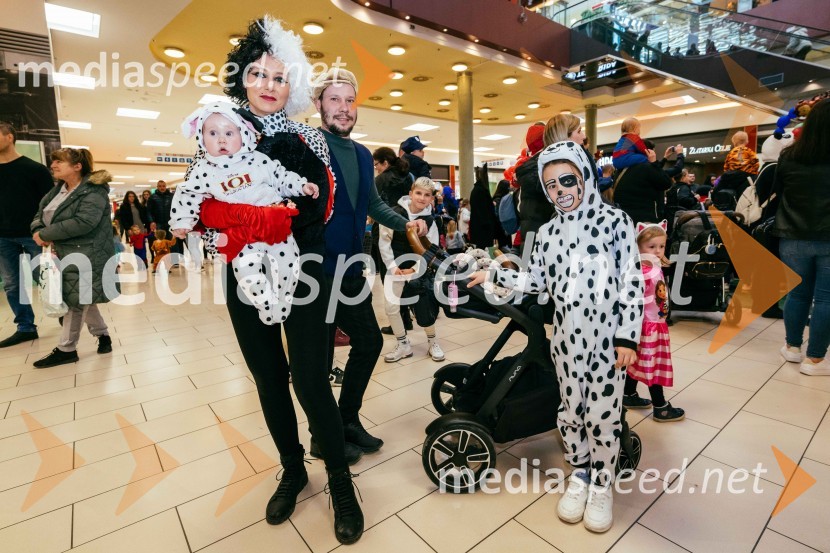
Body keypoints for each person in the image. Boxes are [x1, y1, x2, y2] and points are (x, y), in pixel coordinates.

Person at [190, 17, 362, 544]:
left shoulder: (308, 135)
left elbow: (319, 204)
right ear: (242, 78)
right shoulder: (219, 128)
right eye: (259, 75)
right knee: (268, 377)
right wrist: (244, 222)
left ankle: (338, 476)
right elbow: (203, 205)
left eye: (279, 77)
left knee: (311, 379)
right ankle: (292, 467)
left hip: (304, 271)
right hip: (243, 274)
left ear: (292, 87)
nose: (269, 85)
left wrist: (259, 219)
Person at [468, 141, 643, 533]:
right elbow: (537, 282)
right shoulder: (547, 232)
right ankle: (580, 473)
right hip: (566, 341)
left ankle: (602, 482)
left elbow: (632, 284)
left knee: (602, 415)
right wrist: (495, 273)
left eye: (568, 180)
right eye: (551, 186)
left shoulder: (616, 222)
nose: (561, 190)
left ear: (584, 176)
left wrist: (628, 338)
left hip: (607, 343)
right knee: (571, 411)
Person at [312, 67, 427, 456]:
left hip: (350, 267)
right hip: (313, 270)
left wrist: (405, 221)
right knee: (321, 354)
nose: (343, 108)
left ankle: (346, 420)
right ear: (318, 104)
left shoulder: (362, 154)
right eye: (334, 99)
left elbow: (373, 204)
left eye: (349, 100)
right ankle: (323, 435)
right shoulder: (308, 147)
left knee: (370, 340)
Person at [171, 102, 318, 324]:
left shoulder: (258, 160)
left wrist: (301, 185)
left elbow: (281, 176)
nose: (221, 139)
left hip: (274, 226)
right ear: (201, 138)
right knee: (246, 273)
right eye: (212, 133)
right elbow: (188, 194)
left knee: (289, 262)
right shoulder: (203, 169)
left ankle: (283, 299)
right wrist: (182, 221)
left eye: (229, 133)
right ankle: (266, 304)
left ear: (244, 134)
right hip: (241, 236)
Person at [30, 148, 115, 368]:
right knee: (81, 297)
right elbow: (39, 215)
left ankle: (66, 349)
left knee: (75, 302)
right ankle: (103, 334)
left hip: (88, 254)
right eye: (53, 161)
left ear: (77, 167)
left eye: (60, 161)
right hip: (62, 253)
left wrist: (45, 234)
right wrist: (38, 231)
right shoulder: (57, 190)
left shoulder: (94, 192)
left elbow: (84, 222)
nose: (54, 165)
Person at [773, 99, 830, 376]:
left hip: (792, 234)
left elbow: (777, 192)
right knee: (826, 299)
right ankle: (816, 360)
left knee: (797, 294)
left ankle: (793, 348)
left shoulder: (789, 156)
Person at [623, 221, 685, 421]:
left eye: (661, 246)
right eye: (651, 247)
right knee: (654, 365)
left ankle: (628, 394)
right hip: (648, 327)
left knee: (638, 362)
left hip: (653, 325)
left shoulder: (652, 267)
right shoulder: (642, 272)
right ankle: (661, 406)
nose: (657, 251)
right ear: (638, 246)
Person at [0, 121, 54, 348]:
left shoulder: (35, 169)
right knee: (12, 284)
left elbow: (50, 204)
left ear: (9, 136)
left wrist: (47, 232)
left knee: (45, 279)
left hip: (33, 235)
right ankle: (26, 327)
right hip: (2, 237)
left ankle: (64, 315)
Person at [379, 177, 444, 363]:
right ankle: (403, 344)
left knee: (424, 307)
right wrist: (393, 267)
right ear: (410, 193)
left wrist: (414, 270)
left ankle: (432, 342)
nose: (422, 198)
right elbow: (384, 243)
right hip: (395, 268)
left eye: (427, 195)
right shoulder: (394, 214)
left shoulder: (431, 221)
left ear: (432, 199)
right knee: (391, 307)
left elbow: (430, 250)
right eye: (418, 193)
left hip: (418, 270)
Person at [613, 139, 673, 225]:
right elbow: (666, 183)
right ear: (648, 151)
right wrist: (654, 162)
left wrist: (664, 159)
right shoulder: (646, 167)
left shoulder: (621, 168)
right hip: (644, 220)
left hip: (623, 219)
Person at [146, 180, 183, 262]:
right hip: (159, 223)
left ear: (165, 186)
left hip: (171, 223)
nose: (162, 188)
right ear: (157, 187)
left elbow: (177, 208)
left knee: (173, 242)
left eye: (163, 186)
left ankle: (175, 261)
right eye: (160, 186)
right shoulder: (152, 197)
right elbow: (149, 211)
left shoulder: (172, 196)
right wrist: (152, 221)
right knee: (161, 243)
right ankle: (162, 259)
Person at [468, 164, 498, 248]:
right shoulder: (482, 191)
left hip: (478, 229)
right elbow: (484, 212)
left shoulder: (476, 190)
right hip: (484, 230)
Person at [665, 169, 700, 236]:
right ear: (683, 177)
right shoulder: (684, 187)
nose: (689, 178)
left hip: (670, 215)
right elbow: (683, 200)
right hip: (681, 216)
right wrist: (695, 199)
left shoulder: (673, 187)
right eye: (687, 176)